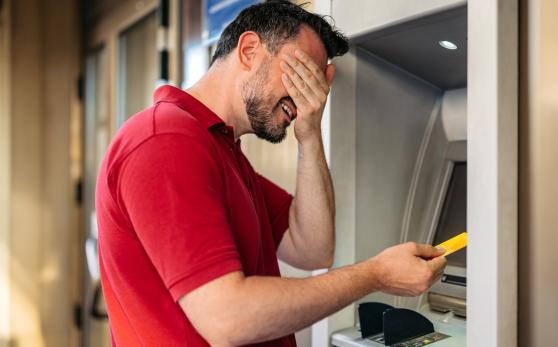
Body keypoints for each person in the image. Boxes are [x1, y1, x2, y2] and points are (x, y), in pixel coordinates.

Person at [95, 1, 447, 346]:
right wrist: (376, 274)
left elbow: (312, 250)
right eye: (301, 73)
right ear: (249, 50)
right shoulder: (166, 141)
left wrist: (310, 133)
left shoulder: (221, 150)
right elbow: (227, 319)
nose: (305, 96)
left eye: (313, 83)